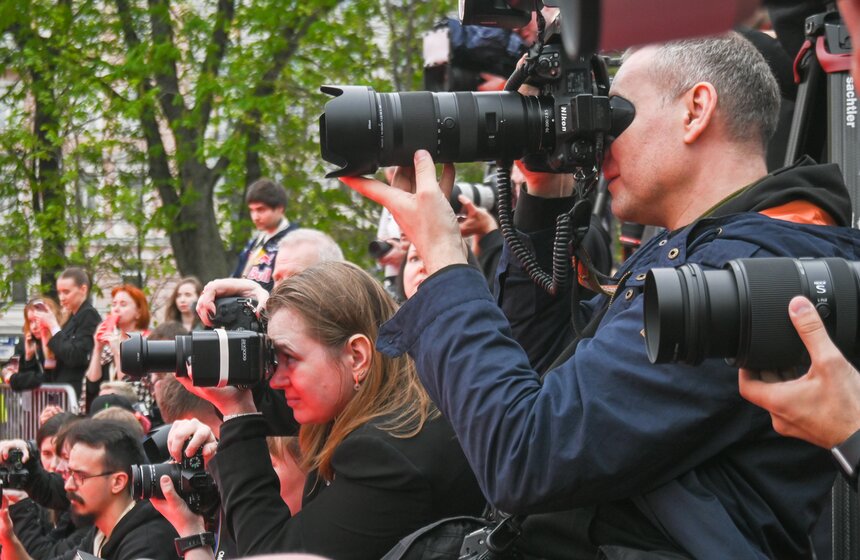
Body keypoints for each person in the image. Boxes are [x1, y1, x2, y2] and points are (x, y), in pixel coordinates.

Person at [342, 32, 860, 558]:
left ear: (695, 110)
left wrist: (443, 256)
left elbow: (524, 455)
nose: (601, 141)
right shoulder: (701, 247)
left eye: (616, 117)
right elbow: (536, 373)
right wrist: (545, 196)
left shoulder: (748, 273)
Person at [166, 262, 485, 560]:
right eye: (273, 359)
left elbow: (273, 553)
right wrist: (256, 319)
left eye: (288, 357)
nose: (276, 379)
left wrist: (236, 411)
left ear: (357, 356)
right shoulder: (403, 408)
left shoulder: (385, 453)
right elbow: (283, 401)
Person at [0, 419, 178, 560]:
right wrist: (7, 537)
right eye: (69, 473)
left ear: (118, 482)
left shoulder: (147, 543)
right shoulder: (103, 531)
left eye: (79, 476)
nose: (68, 485)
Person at [22, 268, 101, 397]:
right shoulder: (70, 319)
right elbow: (52, 359)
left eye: (66, 292)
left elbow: (76, 356)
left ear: (83, 289)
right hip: (61, 390)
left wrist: (53, 325)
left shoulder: (88, 315)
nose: (62, 298)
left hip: (77, 393)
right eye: (59, 293)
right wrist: (45, 332)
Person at [84, 284, 152, 414]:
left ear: (138, 312)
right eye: (114, 304)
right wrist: (98, 349)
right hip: (104, 410)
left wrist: (117, 352)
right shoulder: (110, 341)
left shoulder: (147, 342)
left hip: (133, 412)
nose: (116, 309)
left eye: (123, 304)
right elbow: (92, 385)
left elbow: (130, 388)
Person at [233, 178, 298, 292]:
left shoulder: (295, 240)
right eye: (252, 210)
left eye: (261, 210)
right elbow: (237, 276)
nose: (255, 217)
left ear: (280, 209)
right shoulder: (255, 241)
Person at [4, 296, 64, 390]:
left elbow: (47, 377)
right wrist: (28, 357)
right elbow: (16, 371)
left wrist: (14, 379)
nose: (34, 327)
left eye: (36, 320)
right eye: (30, 321)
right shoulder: (28, 342)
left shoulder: (59, 341)